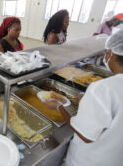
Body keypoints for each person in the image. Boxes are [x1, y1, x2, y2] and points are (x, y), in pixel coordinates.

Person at [44, 30, 123, 166]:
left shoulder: (102, 89)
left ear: (112, 53)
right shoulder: (106, 90)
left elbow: (85, 135)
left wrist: (59, 106)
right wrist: (88, 100)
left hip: (89, 160)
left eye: (107, 52)